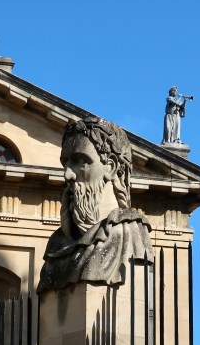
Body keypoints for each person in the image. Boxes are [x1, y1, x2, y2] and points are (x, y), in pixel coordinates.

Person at [38, 117, 153, 291]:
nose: (67, 175)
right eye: (65, 163)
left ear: (112, 167)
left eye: (80, 161)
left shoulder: (130, 234)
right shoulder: (56, 244)